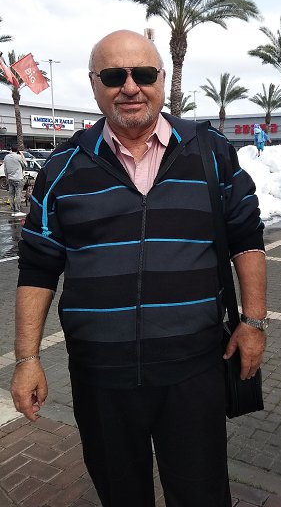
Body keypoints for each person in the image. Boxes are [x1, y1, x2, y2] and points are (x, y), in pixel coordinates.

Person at [10, 30, 267, 507]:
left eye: (143, 74)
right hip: (100, 375)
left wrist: (253, 323)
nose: (130, 87)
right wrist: (27, 359)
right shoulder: (62, 166)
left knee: (202, 494)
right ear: (94, 84)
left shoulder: (210, 151)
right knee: (121, 494)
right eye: (114, 76)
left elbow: (247, 238)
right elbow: (38, 268)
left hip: (194, 369)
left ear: (161, 80)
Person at [3, 145, 27, 217]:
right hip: (18, 178)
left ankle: (12, 208)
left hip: (10, 178)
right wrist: (22, 155)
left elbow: (5, 169)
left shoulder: (6, 157)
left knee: (11, 194)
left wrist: (7, 177)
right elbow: (25, 165)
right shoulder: (18, 157)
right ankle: (17, 209)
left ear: (11, 149)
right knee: (18, 194)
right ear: (17, 150)